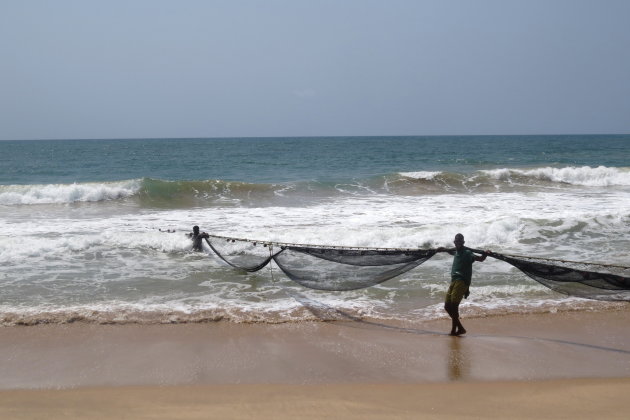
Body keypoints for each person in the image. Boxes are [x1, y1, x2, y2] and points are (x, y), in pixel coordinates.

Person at [438, 233, 490, 336]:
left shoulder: (468, 253)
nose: (457, 243)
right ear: (454, 242)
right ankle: (460, 328)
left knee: (454, 305)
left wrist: (485, 254)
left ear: (463, 242)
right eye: (456, 241)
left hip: (462, 281)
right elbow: (450, 251)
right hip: (454, 280)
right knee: (447, 306)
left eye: (459, 241)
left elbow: (480, 259)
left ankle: (454, 330)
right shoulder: (455, 252)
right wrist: (443, 249)